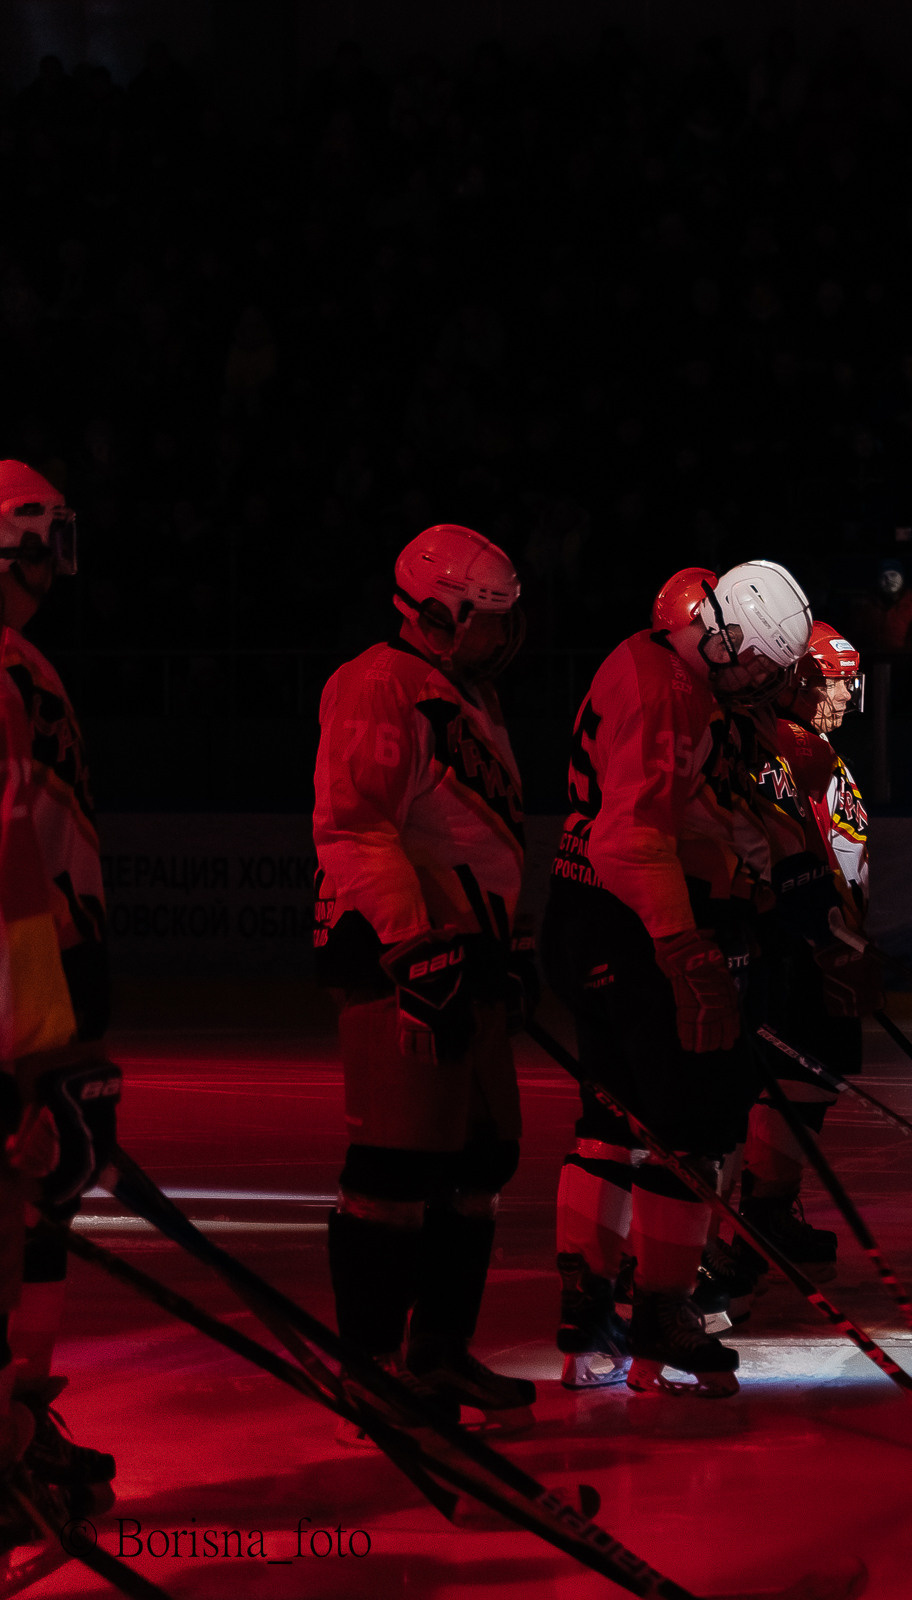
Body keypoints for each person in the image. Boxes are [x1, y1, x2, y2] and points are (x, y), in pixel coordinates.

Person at [543, 561, 813, 1397]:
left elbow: (677, 813)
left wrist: (744, 868)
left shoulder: (666, 669)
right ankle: (658, 1306)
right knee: (687, 1124)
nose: (762, 683)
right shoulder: (666, 691)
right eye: (761, 665)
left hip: (591, 910)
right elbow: (635, 835)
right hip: (628, 923)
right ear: (723, 635)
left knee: (612, 1121)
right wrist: (685, 945)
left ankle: (592, 1318)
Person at [312, 525, 536, 1436]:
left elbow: (478, 838)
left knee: (477, 1159)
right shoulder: (379, 683)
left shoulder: (465, 696)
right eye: (490, 619)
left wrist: (504, 947)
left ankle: (436, 1351)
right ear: (441, 615)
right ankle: (367, 1365)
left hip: (465, 956)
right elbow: (355, 825)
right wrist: (414, 943)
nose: (506, 636)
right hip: (398, 959)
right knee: (395, 1167)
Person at [0, 461, 117, 1517]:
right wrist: (35, 1040)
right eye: (39, 538)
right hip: (23, 968)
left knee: (43, 1210)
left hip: (49, 953)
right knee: (19, 1201)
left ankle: (21, 1416)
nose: (52, 561)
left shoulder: (21, 661)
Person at [736, 622, 873, 1283]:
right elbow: (804, 851)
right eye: (833, 681)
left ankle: (770, 1204)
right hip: (805, 945)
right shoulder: (797, 750)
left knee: (810, 1079)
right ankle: (763, 1209)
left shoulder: (810, 747)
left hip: (826, 937)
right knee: (794, 1076)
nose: (846, 694)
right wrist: (827, 942)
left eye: (850, 680)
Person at [856, 559, 912, 653]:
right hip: (870, 659)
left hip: (904, 661)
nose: (889, 580)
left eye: (893, 575)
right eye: (884, 576)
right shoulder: (865, 605)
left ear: (902, 577)